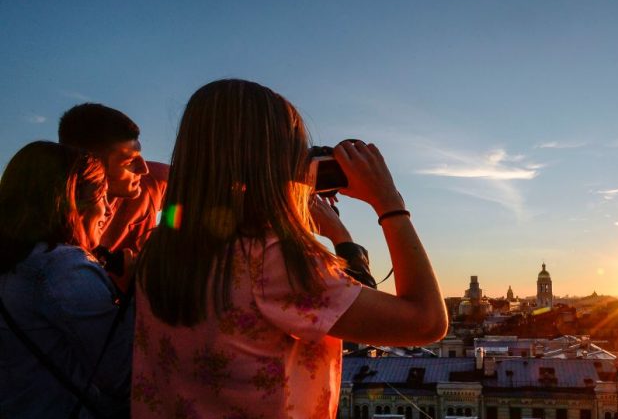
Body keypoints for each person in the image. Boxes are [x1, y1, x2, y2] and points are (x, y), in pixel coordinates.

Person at [132, 79, 448, 418]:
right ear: (276, 161)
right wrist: (390, 203)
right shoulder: (271, 260)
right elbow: (427, 322)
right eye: (299, 149)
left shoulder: (158, 251)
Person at [0, 141, 133, 418]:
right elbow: (123, 376)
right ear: (71, 200)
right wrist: (134, 291)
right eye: (103, 196)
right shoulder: (64, 267)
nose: (109, 210)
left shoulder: (14, 263)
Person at [59, 103, 169, 256]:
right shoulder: (57, 224)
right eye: (129, 162)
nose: (143, 169)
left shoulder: (154, 181)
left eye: (139, 156)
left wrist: (169, 229)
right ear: (91, 165)